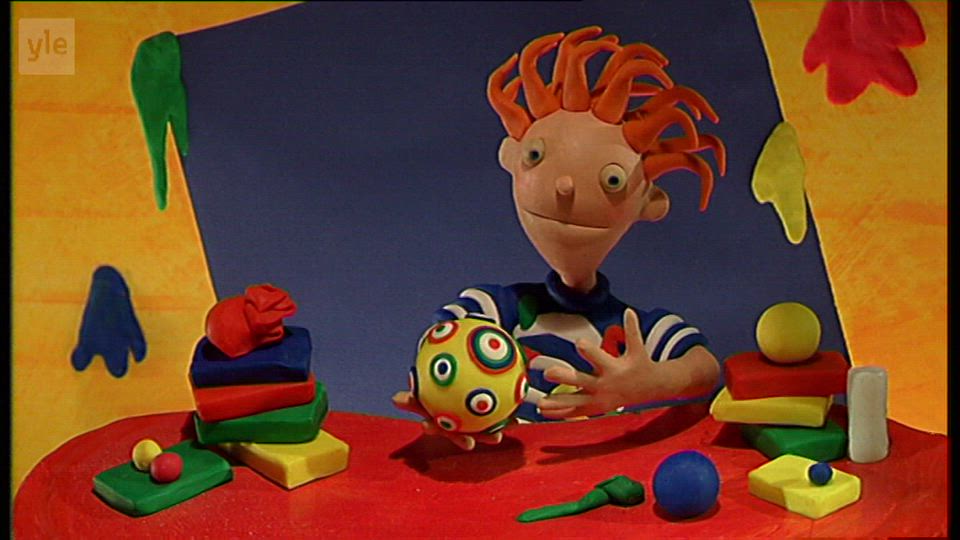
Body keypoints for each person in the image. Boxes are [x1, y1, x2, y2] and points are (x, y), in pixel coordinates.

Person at [394, 26, 726, 450]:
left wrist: (651, 382)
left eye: (612, 179)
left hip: (599, 469)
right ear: (511, 156)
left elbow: (704, 365)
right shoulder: (499, 308)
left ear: (650, 202)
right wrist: (438, 393)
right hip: (503, 466)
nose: (566, 187)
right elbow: (448, 334)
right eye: (536, 155)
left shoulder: (633, 331)